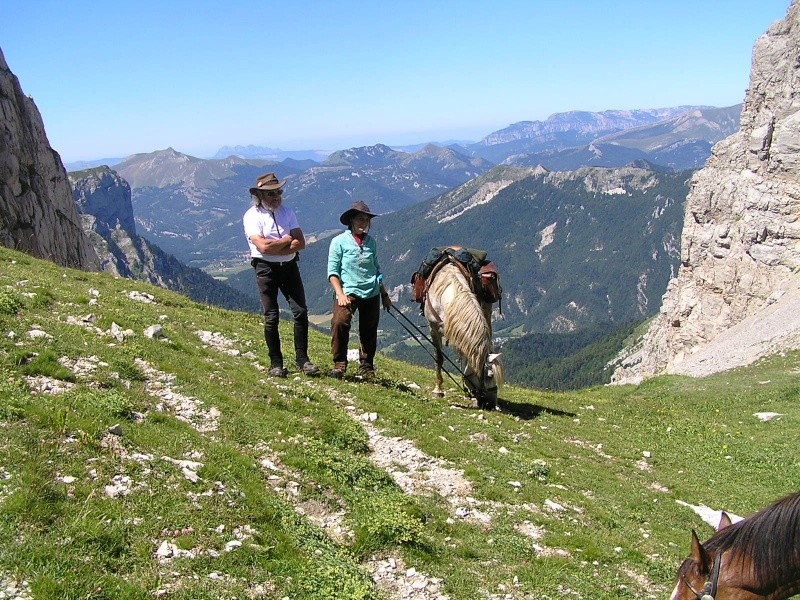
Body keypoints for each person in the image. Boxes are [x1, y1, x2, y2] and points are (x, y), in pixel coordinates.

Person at [243, 173, 319, 377]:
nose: (276, 196)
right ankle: (276, 363)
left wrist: (276, 246)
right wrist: (287, 240)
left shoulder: (288, 212)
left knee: (301, 312)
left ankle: (302, 360)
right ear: (260, 195)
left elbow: (300, 243)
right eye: (270, 193)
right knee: (272, 316)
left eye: (278, 192)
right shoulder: (252, 216)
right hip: (265, 268)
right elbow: (263, 247)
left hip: (290, 267)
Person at [327, 201, 392, 379]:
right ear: (351, 221)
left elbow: (376, 270)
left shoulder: (372, 243)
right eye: (359, 219)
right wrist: (340, 294)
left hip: (371, 292)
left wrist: (384, 294)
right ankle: (340, 363)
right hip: (347, 292)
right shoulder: (338, 242)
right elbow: (333, 272)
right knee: (339, 322)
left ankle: (366, 366)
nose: (363, 223)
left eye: (366, 220)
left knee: (369, 329)